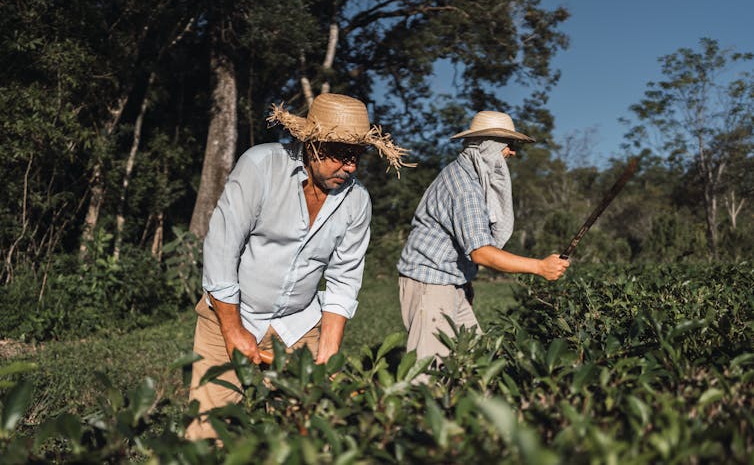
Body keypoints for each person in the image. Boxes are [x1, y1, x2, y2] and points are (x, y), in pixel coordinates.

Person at [186, 93, 412, 441]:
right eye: (340, 154)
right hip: (230, 314)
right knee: (207, 431)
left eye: (356, 156)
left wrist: (329, 348)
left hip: (299, 324)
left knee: (304, 429)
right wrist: (233, 331)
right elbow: (221, 249)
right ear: (312, 144)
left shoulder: (357, 202)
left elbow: (344, 278)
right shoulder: (262, 166)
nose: (350, 167)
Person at [396, 110, 570, 362]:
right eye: (509, 145)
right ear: (490, 145)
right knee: (430, 372)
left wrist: (463, 283)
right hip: (429, 283)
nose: (513, 152)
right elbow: (481, 252)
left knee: (473, 362)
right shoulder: (465, 186)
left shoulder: (469, 177)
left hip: (448, 281)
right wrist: (540, 267)